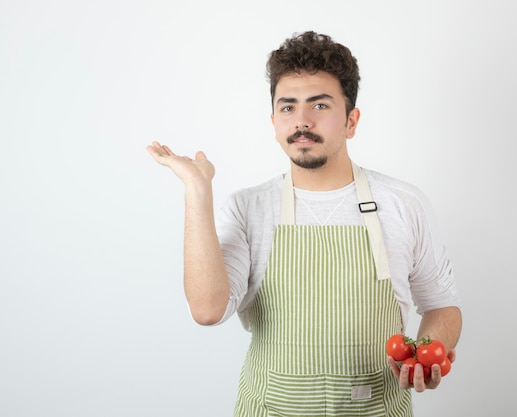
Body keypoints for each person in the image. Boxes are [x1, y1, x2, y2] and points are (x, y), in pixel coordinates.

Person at [147, 30, 462, 417]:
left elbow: (442, 305)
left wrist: (425, 356)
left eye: (320, 105)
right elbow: (208, 310)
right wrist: (197, 190)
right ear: (274, 120)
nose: (301, 121)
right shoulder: (248, 208)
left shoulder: (403, 203)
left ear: (351, 120)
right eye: (288, 107)